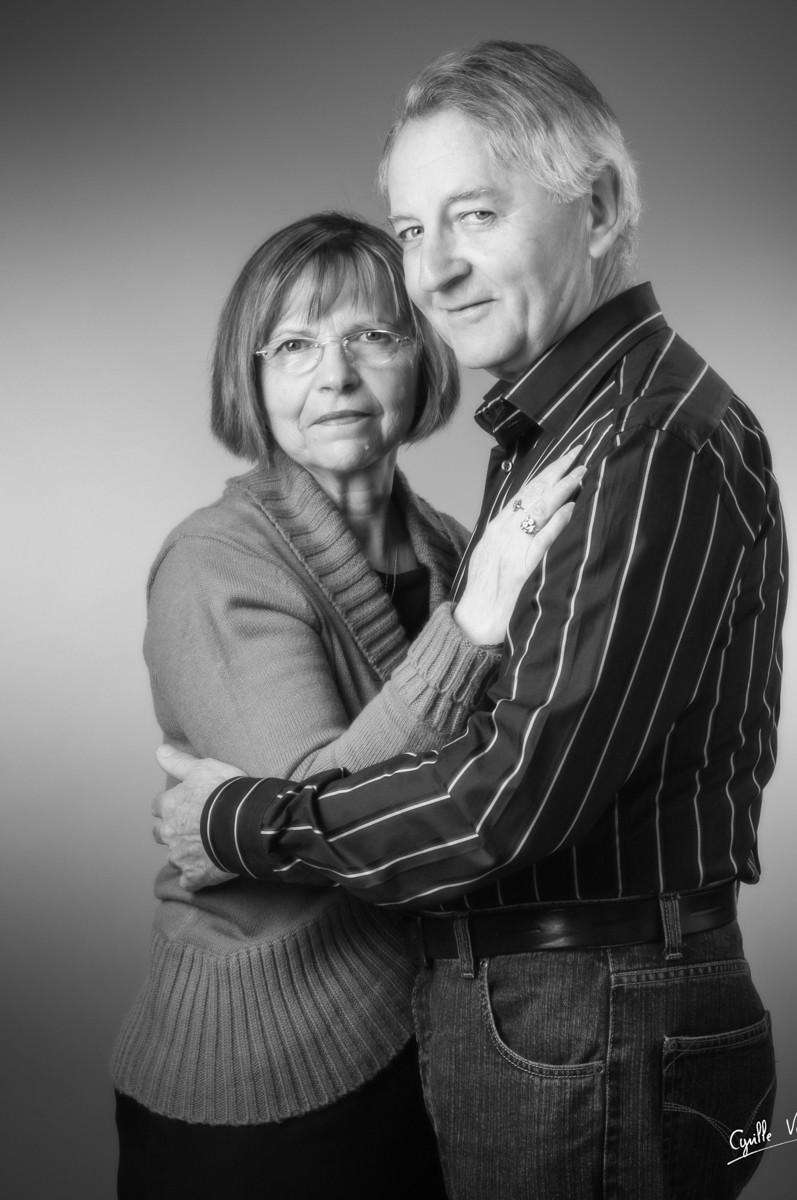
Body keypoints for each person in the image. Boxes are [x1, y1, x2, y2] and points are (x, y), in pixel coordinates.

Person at [154, 42, 788, 1199]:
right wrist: (469, 622)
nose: (435, 270)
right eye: (411, 230)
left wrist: (239, 821)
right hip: (468, 1034)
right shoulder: (551, 441)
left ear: (597, 208)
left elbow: (503, 798)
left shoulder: (631, 443)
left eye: (475, 215)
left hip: (579, 1016)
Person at [114, 211, 582, 1199]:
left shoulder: (453, 548)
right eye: (294, 346)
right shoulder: (217, 561)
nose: (334, 375)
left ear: (422, 357)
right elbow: (311, 815)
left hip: (435, 1042)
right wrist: (475, 626)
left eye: (370, 335)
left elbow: (498, 796)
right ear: (251, 379)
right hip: (264, 1074)